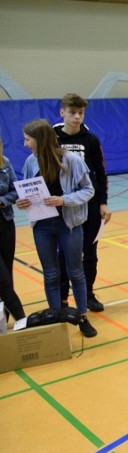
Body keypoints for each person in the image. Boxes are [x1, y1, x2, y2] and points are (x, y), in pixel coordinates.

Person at [17, 119, 97, 338]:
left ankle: (82, 317)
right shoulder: (30, 162)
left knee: (76, 273)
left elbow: (89, 190)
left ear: (40, 140)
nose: (25, 144)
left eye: (28, 139)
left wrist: (64, 200)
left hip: (68, 225)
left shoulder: (71, 160)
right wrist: (22, 202)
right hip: (42, 227)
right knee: (51, 274)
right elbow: (25, 192)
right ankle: (57, 320)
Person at [54, 93, 111, 312]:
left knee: (90, 251)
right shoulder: (53, 138)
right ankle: (62, 298)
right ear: (62, 112)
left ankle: (87, 294)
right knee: (64, 253)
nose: (77, 117)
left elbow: (101, 172)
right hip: (63, 204)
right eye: (72, 113)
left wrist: (103, 203)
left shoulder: (91, 140)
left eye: (81, 113)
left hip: (91, 203)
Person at [0, 137, 27, 333]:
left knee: (6, 273)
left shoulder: (5, 162)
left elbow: (15, 191)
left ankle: (6, 315)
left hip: (5, 223)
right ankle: (21, 318)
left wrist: (1, 201)